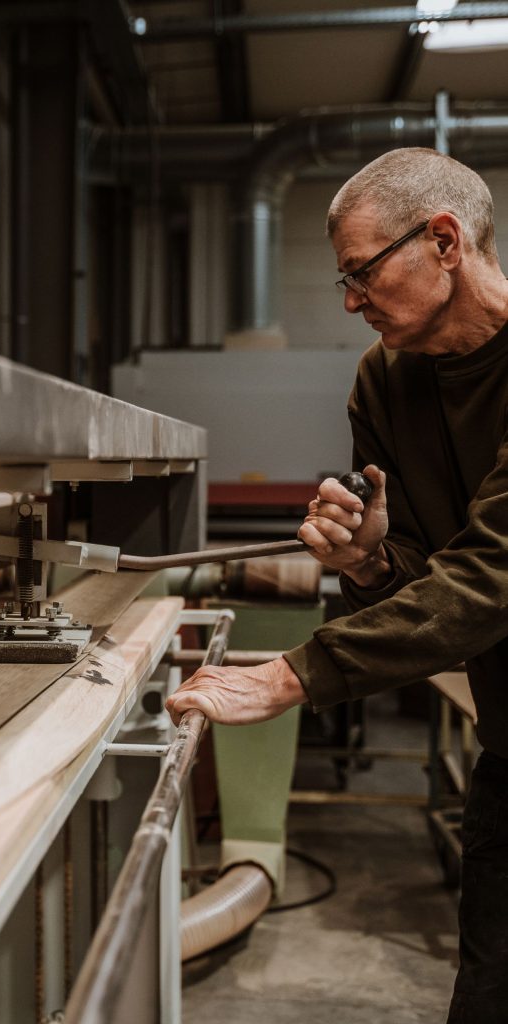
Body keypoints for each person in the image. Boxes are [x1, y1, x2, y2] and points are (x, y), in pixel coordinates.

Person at [165, 147, 508, 1024]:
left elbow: (486, 581)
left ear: (443, 241)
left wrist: (291, 675)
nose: (352, 302)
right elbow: (423, 589)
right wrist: (364, 562)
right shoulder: (385, 381)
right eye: (343, 281)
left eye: (361, 273)